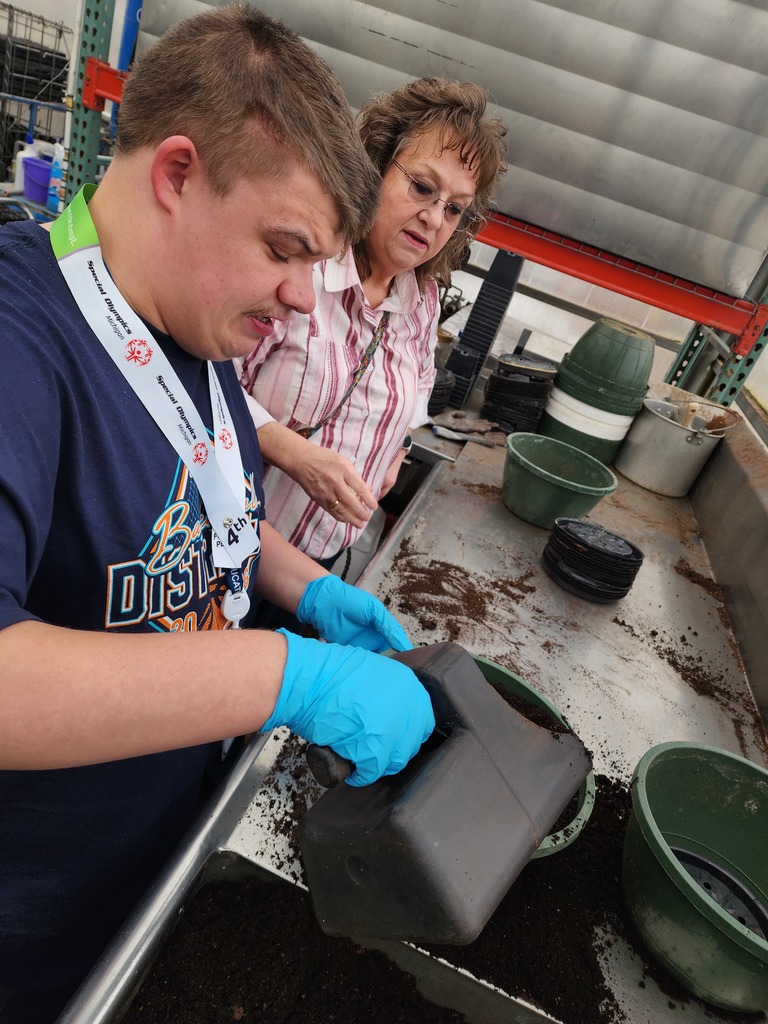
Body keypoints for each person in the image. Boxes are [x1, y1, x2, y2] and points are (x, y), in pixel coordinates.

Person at [0, 7, 435, 1021]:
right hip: (31, 931)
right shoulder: (24, 344)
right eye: (284, 248)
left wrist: (310, 589)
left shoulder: (192, 330)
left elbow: (215, 510)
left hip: (148, 874)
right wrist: (292, 673)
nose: (297, 295)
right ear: (179, 172)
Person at [237, 77, 508, 578]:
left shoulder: (422, 301)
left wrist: (396, 449)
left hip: (322, 560)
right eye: (422, 187)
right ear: (377, 166)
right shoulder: (303, 267)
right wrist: (294, 454)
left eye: (454, 208)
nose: (432, 218)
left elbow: (421, 383)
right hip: (230, 548)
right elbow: (201, 385)